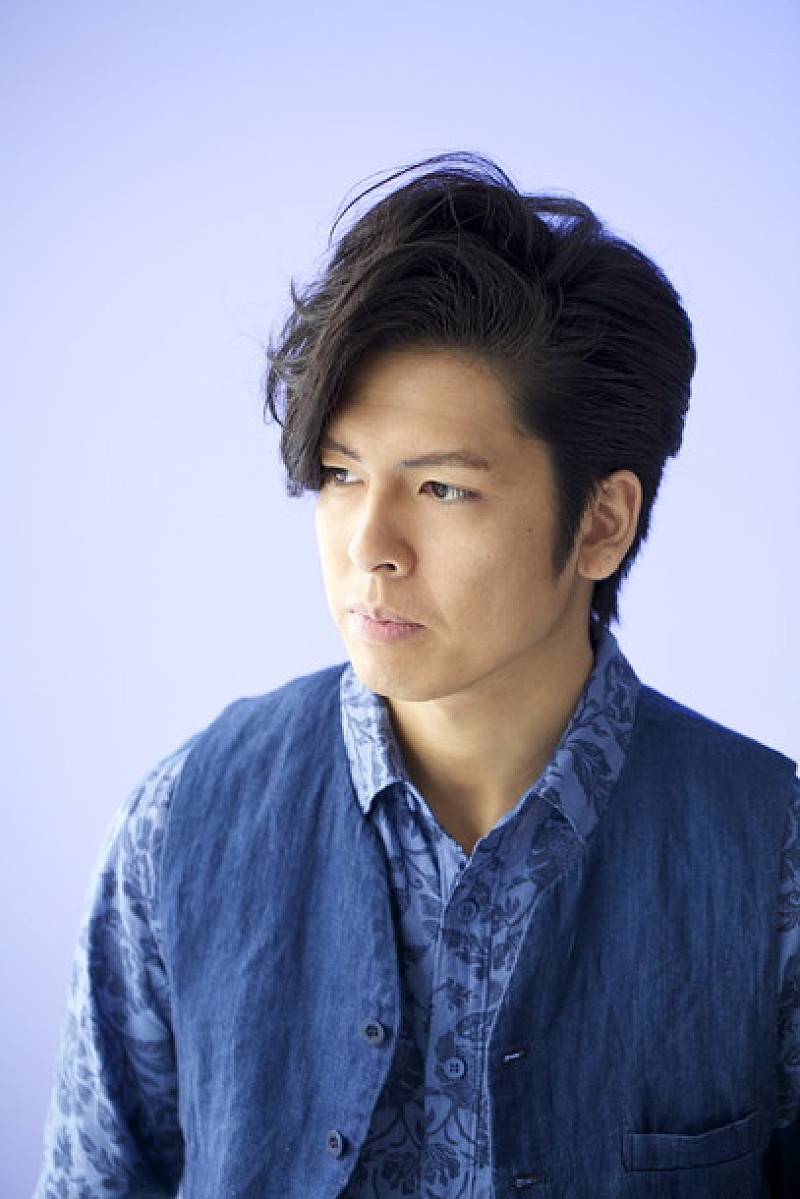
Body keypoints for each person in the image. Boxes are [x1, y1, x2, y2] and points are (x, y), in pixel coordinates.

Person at [36, 153, 799, 1198]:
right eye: (341, 474)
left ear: (601, 521)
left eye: (440, 488)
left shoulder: (772, 854)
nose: (369, 546)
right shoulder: (182, 821)